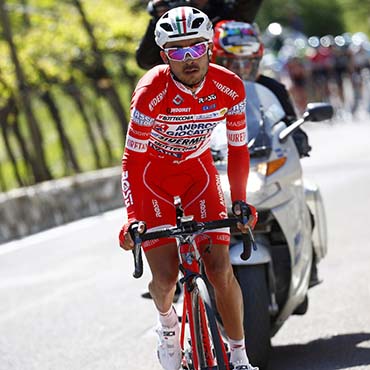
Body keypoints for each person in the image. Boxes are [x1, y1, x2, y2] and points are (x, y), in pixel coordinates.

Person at [119, 6, 258, 370]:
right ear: (165, 57)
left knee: (220, 270)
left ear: (210, 47)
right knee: (164, 278)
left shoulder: (230, 85)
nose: (189, 59)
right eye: (177, 52)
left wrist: (240, 202)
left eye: (196, 48)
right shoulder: (150, 90)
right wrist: (133, 218)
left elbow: (239, 148)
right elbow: (132, 161)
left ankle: (239, 355)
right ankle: (167, 327)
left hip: (198, 173)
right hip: (153, 178)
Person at [212, 20, 312, 157]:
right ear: (216, 61)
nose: (241, 69)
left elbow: (290, 122)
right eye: (232, 62)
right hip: (220, 160)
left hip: (264, 157)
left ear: (257, 61)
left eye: (247, 62)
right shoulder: (203, 89)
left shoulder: (273, 88)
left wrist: (297, 138)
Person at [136, 0, 264, 70]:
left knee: (273, 87)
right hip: (186, 90)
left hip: (228, 81)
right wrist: (157, 18)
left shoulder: (227, 11)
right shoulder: (173, 14)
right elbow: (146, 61)